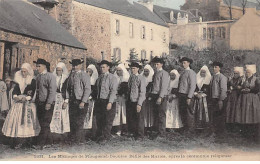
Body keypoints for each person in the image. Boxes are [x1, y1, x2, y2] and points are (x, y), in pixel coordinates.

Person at [2, 63, 40, 149]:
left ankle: (28, 142)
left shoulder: (32, 81)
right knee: (17, 122)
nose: (23, 73)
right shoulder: (18, 79)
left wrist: (26, 98)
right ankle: (18, 141)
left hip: (28, 104)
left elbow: (33, 92)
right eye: (22, 72)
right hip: (18, 103)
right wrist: (15, 97)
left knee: (28, 122)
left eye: (25, 72)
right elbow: (15, 91)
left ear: (28, 72)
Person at [64, 59, 91, 144]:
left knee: (79, 121)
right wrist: (67, 99)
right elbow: (67, 89)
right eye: (73, 65)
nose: (75, 67)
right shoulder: (71, 75)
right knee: (72, 120)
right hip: (73, 101)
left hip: (81, 101)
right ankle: (72, 139)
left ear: (80, 66)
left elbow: (87, 89)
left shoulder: (84, 75)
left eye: (76, 65)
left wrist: (83, 101)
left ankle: (78, 140)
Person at [34, 58, 57, 149]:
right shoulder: (38, 76)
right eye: (37, 66)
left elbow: (52, 91)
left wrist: (49, 103)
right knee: (43, 123)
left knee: (45, 123)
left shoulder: (50, 76)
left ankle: (40, 144)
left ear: (44, 66)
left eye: (39, 66)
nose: (37, 68)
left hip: (47, 104)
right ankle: (50, 142)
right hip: (39, 103)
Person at [94, 60, 118, 143]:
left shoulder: (112, 78)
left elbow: (113, 91)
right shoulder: (99, 78)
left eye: (103, 67)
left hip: (108, 101)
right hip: (100, 101)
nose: (102, 69)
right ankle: (100, 136)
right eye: (100, 67)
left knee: (108, 120)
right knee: (100, 119)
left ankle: (106, 137)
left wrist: (110, 102)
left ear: (108, 67)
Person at [235, 64, 260, 142]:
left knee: (252, 114)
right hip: (243, 99)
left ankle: (252, 134)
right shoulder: (242, 79)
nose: (247, 73)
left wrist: (250, 90)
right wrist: (240, 89)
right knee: (244, 114)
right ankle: (244, 133)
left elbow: (257, 89)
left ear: (252, 73)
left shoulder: (256, 79)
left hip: (252, 99)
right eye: (246, 72)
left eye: (248, 72)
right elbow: (238, 87)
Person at [50, 62, 70, 143]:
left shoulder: (66, 78)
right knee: (54, 116)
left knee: (63, 116)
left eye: (60, 70)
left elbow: (67, 90)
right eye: (57, 70)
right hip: (54, 98)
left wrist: (66, 101)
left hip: (62, 98)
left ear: (63, 71)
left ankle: (63, 137)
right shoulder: (53, 78)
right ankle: (54, 136)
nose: (58, 72)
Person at [150, 57, 170, 139]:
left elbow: (164, 86)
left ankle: (162, 134)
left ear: (161, 64)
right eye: (155, 64)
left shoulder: (164, 73)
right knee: (156, 114)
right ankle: (157, 131)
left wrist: (160, 97)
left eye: (157, 64)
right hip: (154, 95)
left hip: (161, 96)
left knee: (161, 115)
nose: (156, 65)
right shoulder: (155, 73)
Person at [126, 62, 146, 140]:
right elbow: (129, 89)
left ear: (138, 69)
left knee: (139, 118)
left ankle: (140, 135)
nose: (132, 70)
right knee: (133, 118)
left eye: (134, 68)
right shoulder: (131, 77)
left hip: (138, 101)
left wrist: (139, 103)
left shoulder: (141, 78)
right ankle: (134, 133)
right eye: (131, 68)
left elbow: (142, 92)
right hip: (131, 101)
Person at [178, 57, 196, 133]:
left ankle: (190, 129)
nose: (183, 64)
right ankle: (185, 128)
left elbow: (192, 86)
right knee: (182, 111)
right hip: (181, 95)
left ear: (189, 63)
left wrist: (189, 97)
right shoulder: (183, 72)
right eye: (182, 63)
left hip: (187, 95)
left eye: (185, 62)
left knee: (189, 112)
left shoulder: (191, 72)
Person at [209, 61, 227, 137]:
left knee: (219, 116)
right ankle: (214, 132)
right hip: (213, 98)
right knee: (213, 116)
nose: (214, 68)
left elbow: (223, 89)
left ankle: (220, 133)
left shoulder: (222, 77)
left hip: (219, 99)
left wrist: (220, 100)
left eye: (216, 67)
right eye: (213, 67)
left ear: (219, 68)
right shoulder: (212, 77)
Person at [112, 64, 129, 136]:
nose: (118, 72)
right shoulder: (114, 78)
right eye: (117, 70)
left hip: (124, 99)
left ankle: (125, 130)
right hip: (117, 98)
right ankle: (118, 129)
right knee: (117, 114)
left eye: (120, 70)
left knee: (124, 114)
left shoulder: (126, 78)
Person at [193, 65, 211, 131]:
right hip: (197, 98)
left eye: (204, 72)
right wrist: (196, 94)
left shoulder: (209, 80)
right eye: (201, 72)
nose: (202, 73)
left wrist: (202, 95)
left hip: (205, 99)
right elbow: (194, 88)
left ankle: (205, 126)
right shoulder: (197, 79)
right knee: (196, 110)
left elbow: (209, 91)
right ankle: (197, 126)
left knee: (204, 111)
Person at [225, 67, 244, 132]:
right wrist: (229, 90)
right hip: (230, 96)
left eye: (237, 73)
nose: (235, 74)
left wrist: (235, 88)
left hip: (237, 96)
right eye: (234, 73)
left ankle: (236, 126)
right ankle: (229, 125)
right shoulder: (231, 79)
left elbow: (241, 87)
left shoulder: (241, 80)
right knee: (229, 109)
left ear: (239, 74)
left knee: (236, 110)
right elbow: (228, 86)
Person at [83, 64, 98, 139]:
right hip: (85, 99)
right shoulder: (85, 78)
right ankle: (84, 131)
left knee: (91, 115)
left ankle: (92, 133)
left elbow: (96, 90)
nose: (88, 73)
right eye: (87, 71)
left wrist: (91, 96)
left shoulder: (95, 80)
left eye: (90, 71)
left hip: (92, 100)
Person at [141, 64, 155, 132]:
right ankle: (144, 126)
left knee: (150, 112)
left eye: (147, 71)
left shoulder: (152, 80)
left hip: (149, 98)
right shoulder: (141, 78)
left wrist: (149, 96)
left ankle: (150, 126)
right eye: (145, 71)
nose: (146, 73)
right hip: (143, 97)